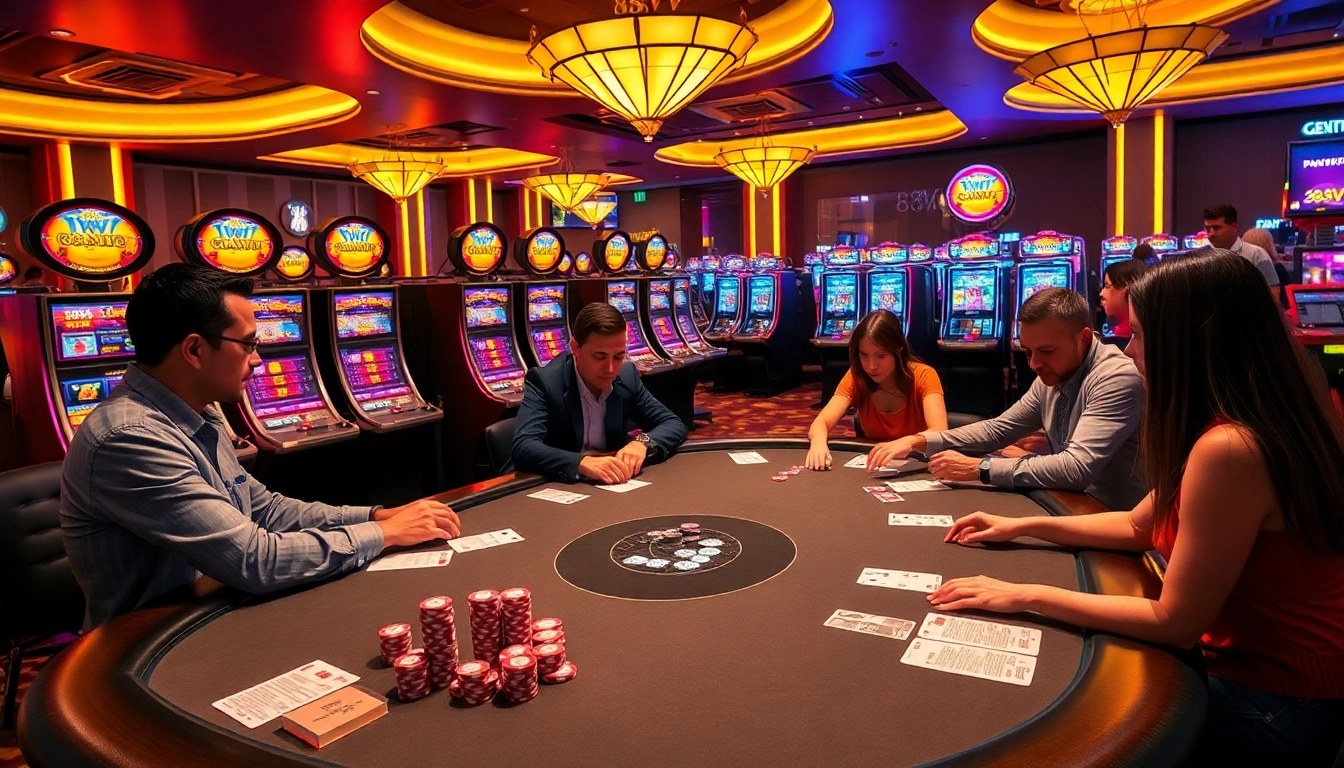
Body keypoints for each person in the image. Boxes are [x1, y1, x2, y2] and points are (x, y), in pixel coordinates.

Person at [927, 250, 1344, 765]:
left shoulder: (1231, 446)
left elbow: (1175, 621)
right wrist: (1017, 525)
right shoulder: (1230, 416)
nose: (1128, 347)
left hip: (1275, 698)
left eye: (1141, 334)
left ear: (1191, 341)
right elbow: (1136, 523)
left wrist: (1021, 594)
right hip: (1257, 673)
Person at [61, 264, 461, 629]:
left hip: (212, 612)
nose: (259, 359)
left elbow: (266, 510)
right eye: (248, 344)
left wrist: (376, 514)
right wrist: (384, 533)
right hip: (143, 648)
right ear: (195, 350)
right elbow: (254, 560)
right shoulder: (130, 438)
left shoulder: (200, 412)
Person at [873, 288, 1145, 510]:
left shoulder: (1115, 377)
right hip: (1069, 505)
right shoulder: (1051, 377)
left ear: (1084, 339)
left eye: (1046, 351)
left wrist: (981, 467)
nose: (1034, 364)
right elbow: (998, 429)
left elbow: (1075, 468)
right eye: (1027, 351)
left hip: (1119, 524)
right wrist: (920, 440)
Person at [511, 302, 688, 484]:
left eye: (618, 357)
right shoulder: (545, 382)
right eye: (599, 356)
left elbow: (673, 423)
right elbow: (524, 448)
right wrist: (581, 462)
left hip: (607, 485)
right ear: (575, 349)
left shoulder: (626, 377)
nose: (611, 369)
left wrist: (642, 442)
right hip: (554, 483)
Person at [805, 309, 947, 470]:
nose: (871, 366)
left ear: (898, 350)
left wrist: (908, 442)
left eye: (881, 356)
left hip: (919, 466)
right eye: (864, 355)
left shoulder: (924, 375)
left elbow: (940, 432)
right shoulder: (857, 376)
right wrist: (818, 444)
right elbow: (821, 422)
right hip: (875, 468)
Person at [1204, 204, 1280, 302]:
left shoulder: (1257, 255)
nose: (1211, 233)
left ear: (1234, 227)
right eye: (1207, 228)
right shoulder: (1201, 256)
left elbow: (1273, 294)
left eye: (1216, 228)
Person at [1098, 258, 1146, 346]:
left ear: (1128, 289)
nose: (1101, 293)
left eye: (1107, 286)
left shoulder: (1137, 341)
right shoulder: (1114, 330)